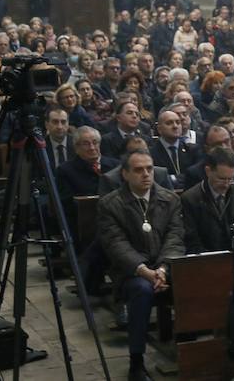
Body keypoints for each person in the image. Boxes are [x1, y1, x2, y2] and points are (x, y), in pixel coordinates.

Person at [98, 150, 184, 381]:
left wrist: (164, 269)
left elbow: (175, 237)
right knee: (141, 290)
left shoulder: (170, 198)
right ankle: (136, 361)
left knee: (195, 279)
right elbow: (116, 245)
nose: (146, 174)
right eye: (138, 170)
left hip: (165, 266)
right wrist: (145, 271)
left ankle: (189, 349)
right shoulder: (110, 204)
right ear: (125, 174)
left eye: (149, 168)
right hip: (131, 272)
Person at [181, 147, 234, 254]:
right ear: (208, 171)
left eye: (231, 179)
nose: (226, 184)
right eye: (222, 179)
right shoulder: (190, 199)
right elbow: (192, 241)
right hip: (204, 259)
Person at [149, 107, 197, 188]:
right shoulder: (151, 153)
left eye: (178, 123)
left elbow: (196, 176)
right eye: (169, 123)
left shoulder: (192, 150)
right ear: (159, 129)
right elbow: (156, 179)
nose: (175, 126)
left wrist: (171, 178)